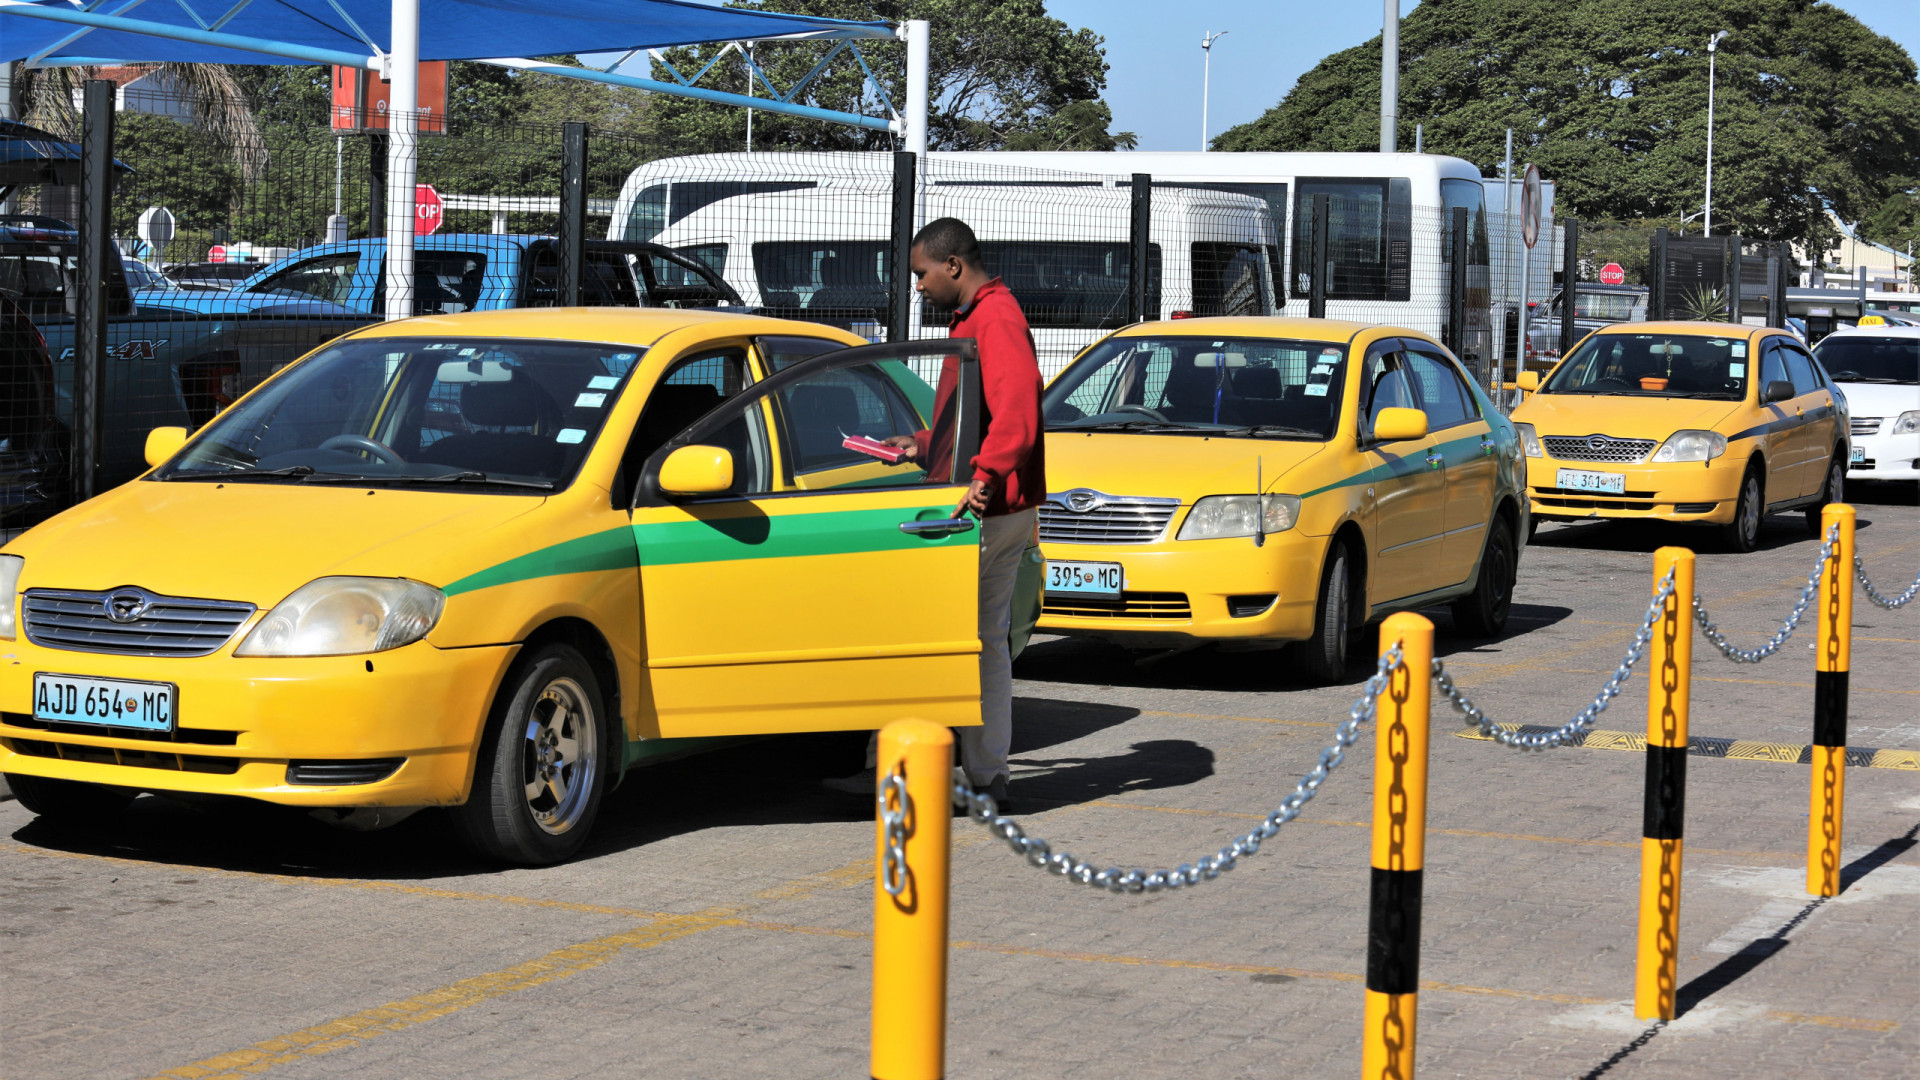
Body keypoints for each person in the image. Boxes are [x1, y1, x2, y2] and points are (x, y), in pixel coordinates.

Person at [824, 217, 1045, 810]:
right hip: (999, 506)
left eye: (921, 273)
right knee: (985, 640)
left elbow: (1019, 411)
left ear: (953, 266)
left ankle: (897, 772)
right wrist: (923, 445)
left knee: (919, 633)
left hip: (982, 510)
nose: (917, 285)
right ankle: (984, 774)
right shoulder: (982, 316)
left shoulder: (994, 318)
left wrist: (983, 476)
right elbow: (982, 413)